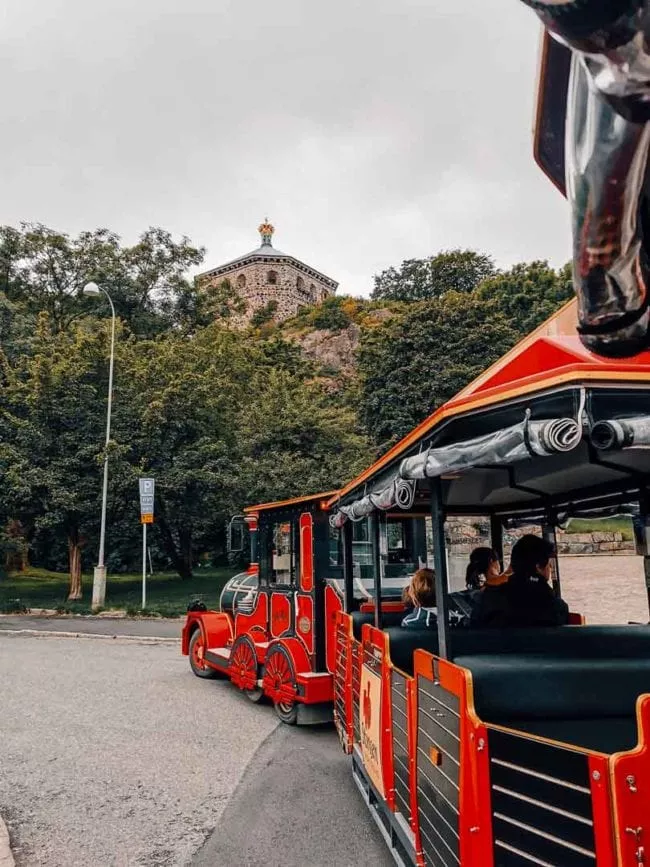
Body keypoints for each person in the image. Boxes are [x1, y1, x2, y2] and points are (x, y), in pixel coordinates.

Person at [472, 534, 569, 628]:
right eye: (549, 564)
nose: (550, 568)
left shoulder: (485, 601)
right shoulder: (555, 607)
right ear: (538, 566)